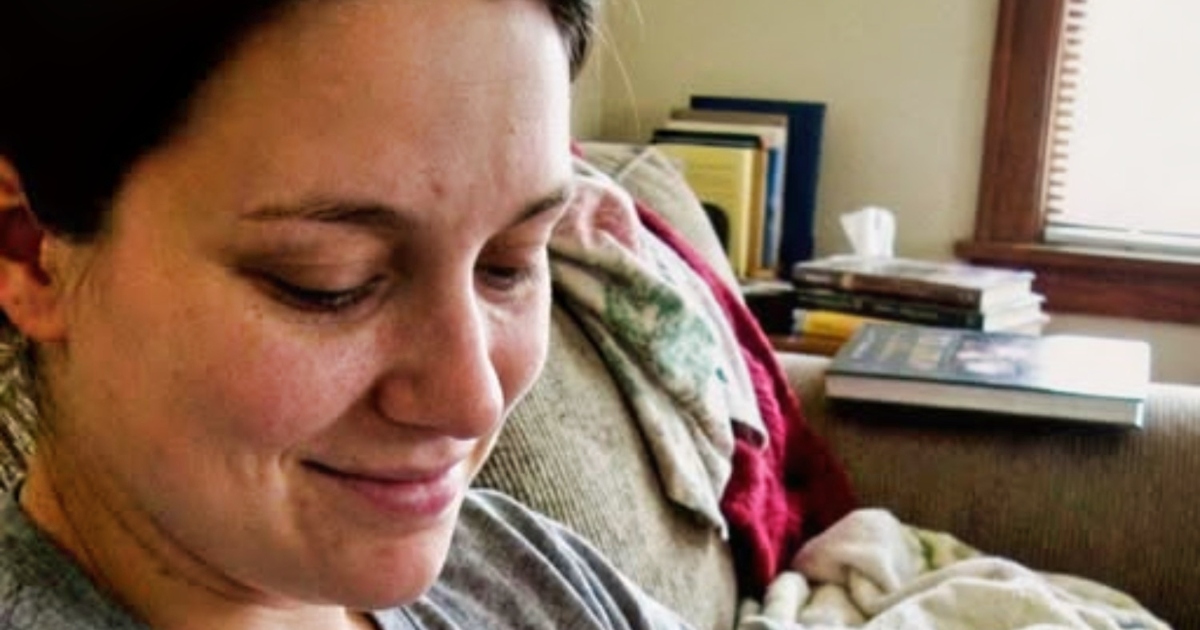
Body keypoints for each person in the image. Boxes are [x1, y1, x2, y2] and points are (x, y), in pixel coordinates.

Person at [0, 1, 694, 628]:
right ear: (29, 253)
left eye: (506, 265)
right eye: (330, 284)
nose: (473, 402)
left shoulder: (527, 570)